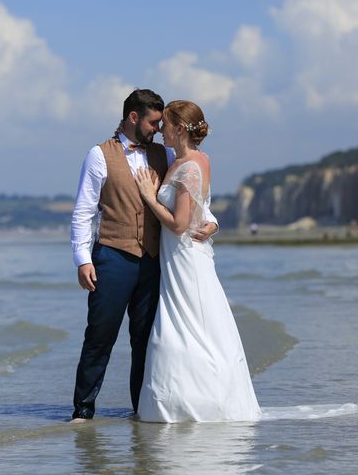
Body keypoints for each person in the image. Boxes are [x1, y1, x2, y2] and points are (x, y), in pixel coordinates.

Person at [69, 89, 218, 422]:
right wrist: (83, 259)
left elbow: (193, 199)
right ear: (133, 117)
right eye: (153, 122)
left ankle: (142, 411)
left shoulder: (165, 155)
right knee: (99, 335)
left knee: (146, 341)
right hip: (112, 256)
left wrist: (213, 223)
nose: (158, 128)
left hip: (153, 262)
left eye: (161, 122)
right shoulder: (98, 155)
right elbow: (83, 211)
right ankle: (83, 410)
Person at [134, 100, 261, 422]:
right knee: (200, 324)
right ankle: (206, 396)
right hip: (183, 254)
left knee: (188, 326)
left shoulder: (189, 165)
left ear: (179, 129)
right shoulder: (196, 160)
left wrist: (149, 196)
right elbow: (201, 207)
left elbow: (178, 223)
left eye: (165, 125)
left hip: (184, 256)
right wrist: (213, 221)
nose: (160, 130)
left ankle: (195, 402)